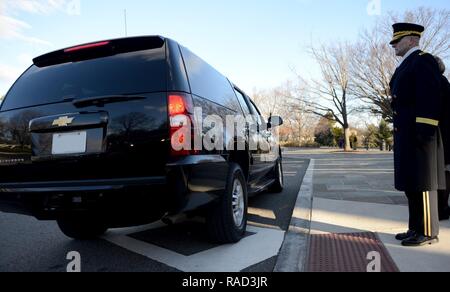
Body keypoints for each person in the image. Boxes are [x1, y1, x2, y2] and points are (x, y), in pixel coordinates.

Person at [389, 23, 446, 247]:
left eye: (398, 40)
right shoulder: (407, 64)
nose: (393, 44)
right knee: (411, 185)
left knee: (423, 185)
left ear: (412, 40)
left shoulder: (423, 60)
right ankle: (415, 228)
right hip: (407, 135)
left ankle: (429, 231)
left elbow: (430, 98)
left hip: (420, 135)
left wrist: (425, 131)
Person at [435, 56, 450, 221]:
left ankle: (442, 207)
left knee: (444, 170)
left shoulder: (438, 83)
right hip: (446, 132)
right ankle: (443, 206)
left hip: (443, 133)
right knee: (446, 170)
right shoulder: (444, 82)